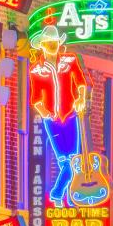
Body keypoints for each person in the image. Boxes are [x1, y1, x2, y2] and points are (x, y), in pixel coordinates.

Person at [28, 16, 88, 206]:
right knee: (65, 161)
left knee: (74, 160)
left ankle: (57, 193)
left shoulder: (69, 61)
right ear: (43, 46)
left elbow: (81, 83)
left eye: (54, 42)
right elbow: (35, 98)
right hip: (52, 120)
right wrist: (45, 113)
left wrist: (81, 98)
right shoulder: (36, 70)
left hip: (70, 115)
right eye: (48, 43)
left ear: (58, 43)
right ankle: (68, 196)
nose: (52, 46)